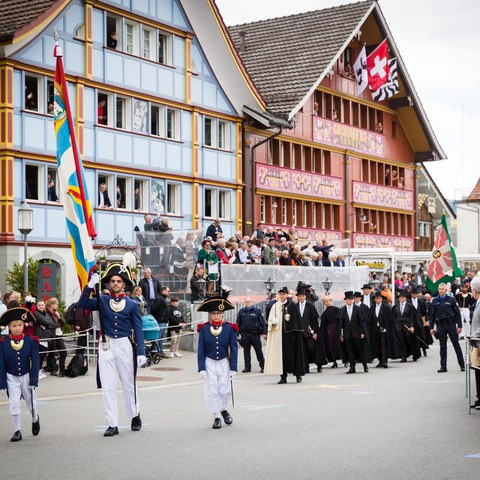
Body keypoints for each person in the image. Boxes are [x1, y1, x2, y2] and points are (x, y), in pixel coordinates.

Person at [78, 264, 146, 437]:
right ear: (108, 284)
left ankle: (134, 414)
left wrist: (141, 352)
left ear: (124, 284)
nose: (115, 283)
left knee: (128, 384)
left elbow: (138, 329)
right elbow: (82, 303)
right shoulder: (102, 301)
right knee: (108, 385)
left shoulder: (132, 305)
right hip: (106, 344)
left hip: (124, 344)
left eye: (119, 281)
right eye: (112, 281)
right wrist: (90, 285)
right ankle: (112, 423)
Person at [197, 290, 238, 429]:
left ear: (222, 314)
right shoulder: (204, 329)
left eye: (219, 313)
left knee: (225, 390)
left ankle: (224, 408)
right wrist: (201, 367)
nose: (216, 316)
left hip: (224, 362)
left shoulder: (229, 328)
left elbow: (234, 348)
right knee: (212, 390)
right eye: (214, 313)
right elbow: (201, 349)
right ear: (210, 314)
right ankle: (216, 416)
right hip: (209, 363)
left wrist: (233, 367)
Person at [0, 307, 41, 442]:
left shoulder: (31, 341)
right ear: (8, 327)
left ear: (24, 325)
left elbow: (35, 362)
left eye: (19, 325)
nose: (17, 328)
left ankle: (35, 418)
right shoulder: (3, 343)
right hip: (10, 376)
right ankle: (17, 430)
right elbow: (1, 363)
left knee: (30, 401)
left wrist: (34, 379)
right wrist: (2, 382)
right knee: (14, 402)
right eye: (13, 326)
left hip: (26, 376)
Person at [265, 286, 305, 384]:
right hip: (279, 336)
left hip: (291, 335)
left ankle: (298, 375)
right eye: (280, 294)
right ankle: (283, 376)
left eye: (283, 294)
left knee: (294, 354)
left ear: (287, 295)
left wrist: (296, 332)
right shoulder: (275, 306)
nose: (282, 296)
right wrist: (272, 323)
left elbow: (297, 320)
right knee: (281, 357)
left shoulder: (292, 305)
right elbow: (270, 320)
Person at [429, 283, 465, 373]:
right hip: (440, 325)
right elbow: (432, 315)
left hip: (451, 324)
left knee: (456, 344)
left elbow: (457, 313)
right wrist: (431, 328)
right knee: (442, 346)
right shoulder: (435, 301)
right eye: (439, 289)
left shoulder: (451, 300)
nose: (441, 290)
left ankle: (462, 365)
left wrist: (459, 326)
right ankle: (443, 366)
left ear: (446, 290)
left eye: (442, 289)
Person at [296, 286, 326, 373]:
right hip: (300, 332)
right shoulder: (295, 306)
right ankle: (305, 367)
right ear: (297, 297)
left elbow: (314, 321)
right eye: (299, 296)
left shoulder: (310, 306)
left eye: (302, 296)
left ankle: (319, 364)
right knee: (303, 350)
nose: (301, 297)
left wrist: (315, 332)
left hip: (310, 332)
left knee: (312, 348)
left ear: (305, 296)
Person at [339, 291, 370, 374]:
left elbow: (362, 322)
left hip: (357, 333)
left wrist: (362, 332)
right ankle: (352, 367)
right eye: (348, 299)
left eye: (351, 299)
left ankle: (365, 365)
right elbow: (340, 324)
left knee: (360, 350)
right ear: (345, 300)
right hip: (347, 334)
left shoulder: (358, 309)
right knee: (350, 351)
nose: (350, 301)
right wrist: (341, 335)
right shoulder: (342, 310)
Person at [236, 297, 266, 373]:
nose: (248, 303)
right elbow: (238, 323)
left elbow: (263, 322)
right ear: (244, 303)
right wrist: (237, 334)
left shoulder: (257, 311)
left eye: (249, 301)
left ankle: (263, 366)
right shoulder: (241, 311)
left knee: (258, 351)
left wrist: (264, 332)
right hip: (245, 334)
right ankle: (247, 367)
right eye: (246, 302)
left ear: (252, 302)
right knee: (246, 352)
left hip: (255, 334)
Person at [44, 297, 67, 377]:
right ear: (51, 305)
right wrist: (58, 324)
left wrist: (59, 318)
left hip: (59, 335)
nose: (57, 305)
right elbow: (50, 325)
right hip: (52, 336)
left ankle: (62, 370)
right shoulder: (46, 314)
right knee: (52, 353)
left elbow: (64, 322)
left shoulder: (58, 313)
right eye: (56, 304)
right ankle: (53, 369)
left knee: (64, 352)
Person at [391, 290, 416, 363]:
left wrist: (412, 326)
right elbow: (393, 317)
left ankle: (410, 353)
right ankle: (403, 356)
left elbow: (412, 317)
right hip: (398, 327)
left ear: (405, 298)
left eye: (402, 297)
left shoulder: (410, 306)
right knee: (400, 341)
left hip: (407, 326)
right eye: (399, 297)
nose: (401, 299)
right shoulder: (395, 306)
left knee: (408, 341)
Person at [370, 292, 393, 368]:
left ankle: (385, 361)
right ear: (374, 299)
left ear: (382, 299)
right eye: (376, 298)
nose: (378, 300)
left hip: (384, 329)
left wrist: (386, 328)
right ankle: (380, 360)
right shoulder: (372, 307)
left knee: (384, 345)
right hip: (375, 329)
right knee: (377, 345)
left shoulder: (386, 307)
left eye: (379, 298)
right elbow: (370, 319)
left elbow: (390, 319)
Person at [319, 296, 342, 368]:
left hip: (337, 330)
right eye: (325, 301)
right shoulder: (325, 313)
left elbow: (340, 320)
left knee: (339, 345)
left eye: (328, 301)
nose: (326, 303)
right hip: (329, 332)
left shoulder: (337, 310)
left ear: (331, 301)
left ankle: (344, 359)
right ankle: (334, 361)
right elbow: (323, 323)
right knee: (331, 346)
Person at [468, 277, 480, 409]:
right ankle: (479, 398)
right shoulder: (477, 302)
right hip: (476, 342)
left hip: (478, 340)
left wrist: (474, 335)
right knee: (477, 371)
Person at [151, 286, 170, 359]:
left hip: (163, 321)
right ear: (163, 291)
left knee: (161, 338)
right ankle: (155, 351)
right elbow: (154, 309)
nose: (168, 292)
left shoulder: (163, 299)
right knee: (158, 337)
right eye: (167, 291)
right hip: (160, 320)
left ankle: (160, 351)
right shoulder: (159, 299)